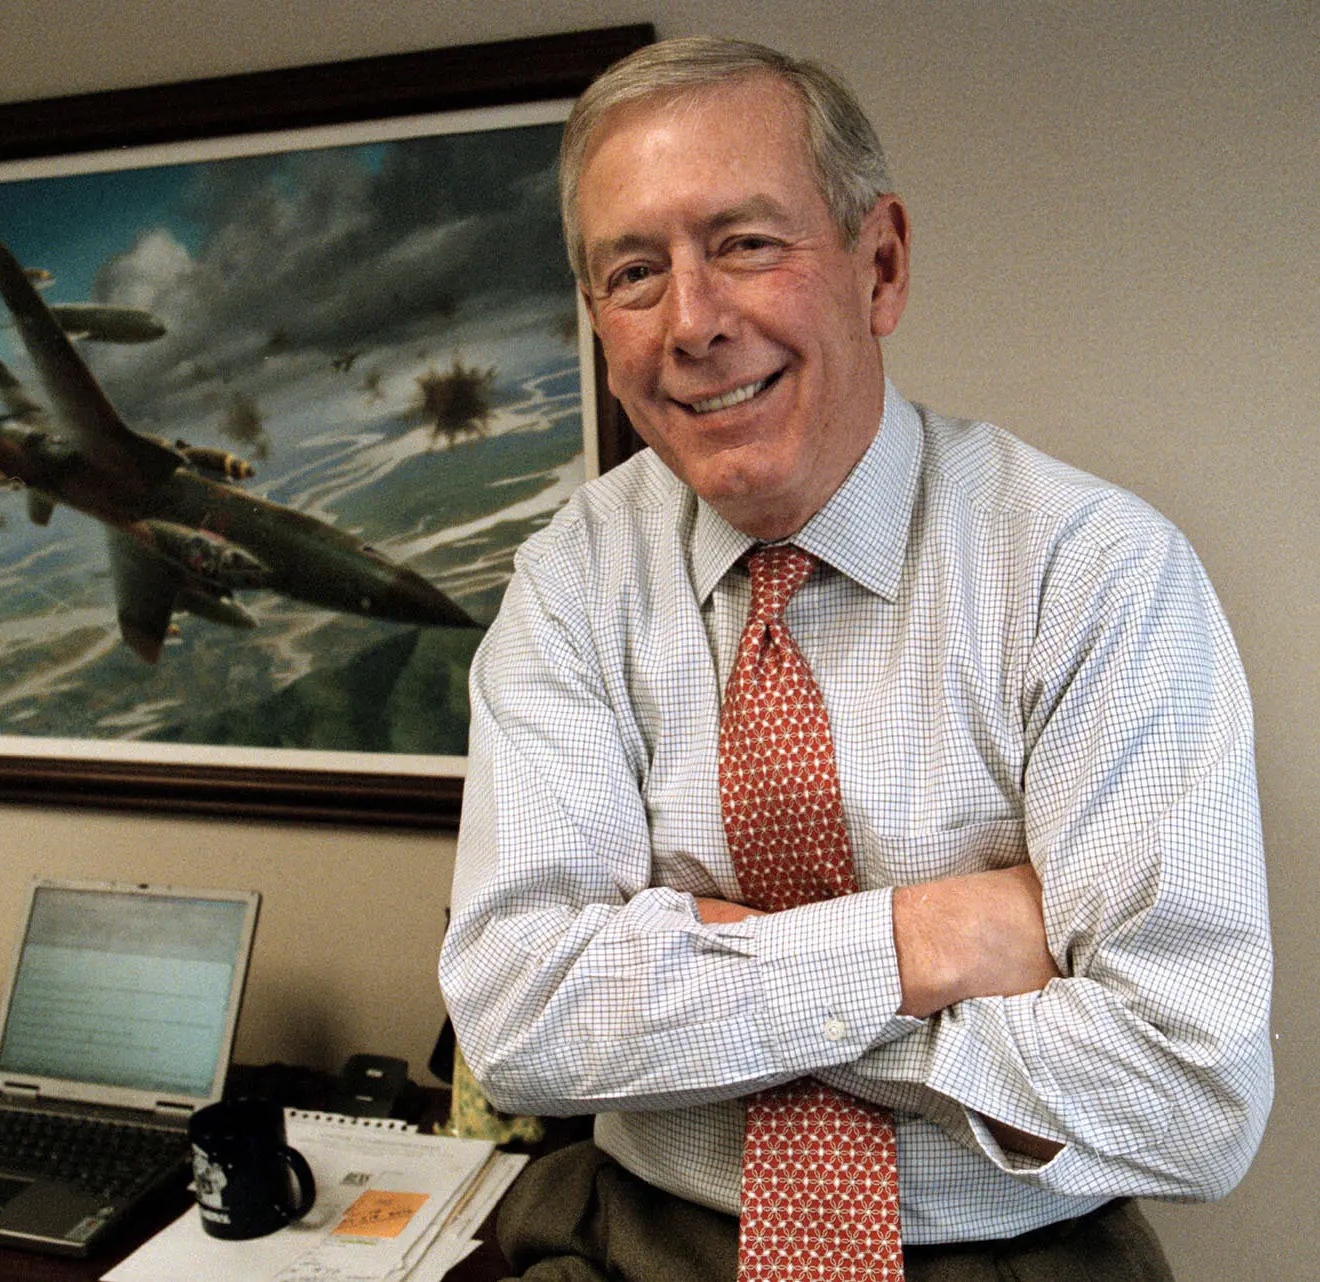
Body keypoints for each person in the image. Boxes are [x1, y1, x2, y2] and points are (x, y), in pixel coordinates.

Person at [439, 35, 1272, 1281]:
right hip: (644, 1241)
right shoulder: (572, 583)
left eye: (745, 243)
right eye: (632, 272)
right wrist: (929, 946)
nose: (694, 323)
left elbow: (1193, 1091)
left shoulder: (1092, 571)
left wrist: (717, 979)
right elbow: (516, 1019)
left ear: (877, 265)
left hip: (1010, 1252)